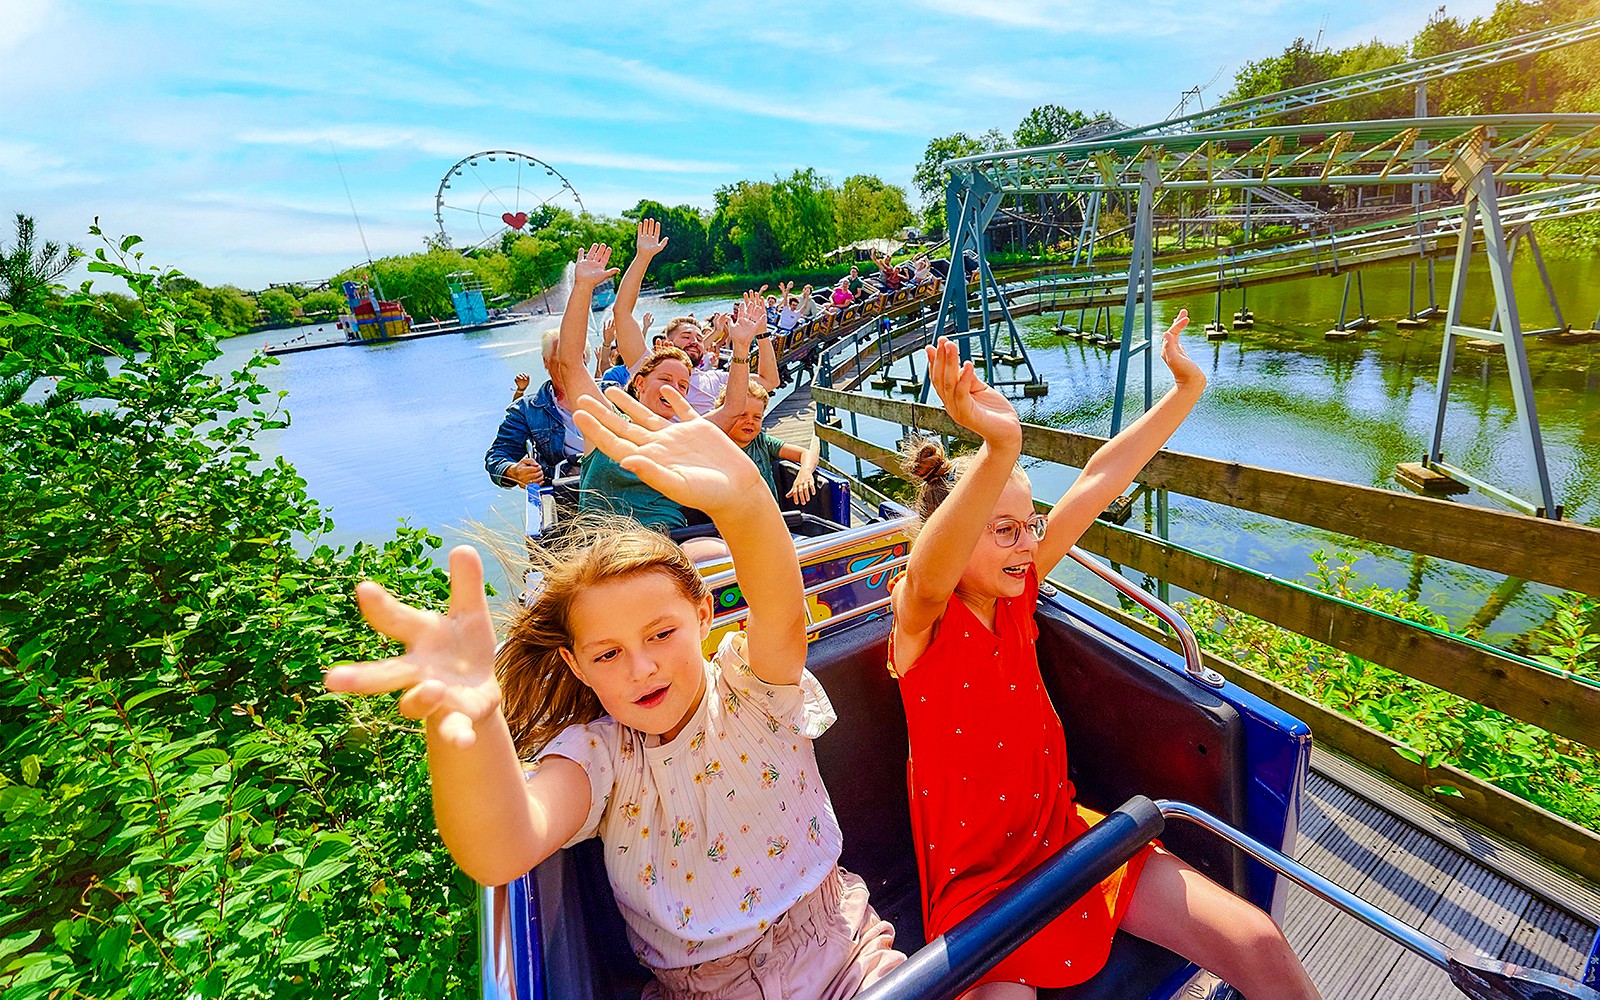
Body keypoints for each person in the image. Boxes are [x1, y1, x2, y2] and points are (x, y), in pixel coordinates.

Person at [324, 386, 906, 999]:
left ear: (704, 617)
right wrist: (472, 731)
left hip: (839, 947)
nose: (642, 668)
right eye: (608, 654)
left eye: (661, 634)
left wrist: (746, 502)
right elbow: (502, 848)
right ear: (576, 665)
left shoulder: (749, 689)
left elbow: (782, 616)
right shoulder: (597, 757)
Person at [889, 314, 1321, 999]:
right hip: (980, 892)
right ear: (957, 531)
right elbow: (926, 576)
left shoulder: (1018, 596)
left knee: (1257, 941)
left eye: (1029, 526)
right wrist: (1001, 446)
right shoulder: (922, 627)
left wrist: (1184, 391)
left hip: (1063, 840)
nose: (1027, 544)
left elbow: (1098, 477)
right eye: (1003, 530)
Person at [560, 244, 760, 537]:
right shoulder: (606, 422)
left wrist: (741, 346)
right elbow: (571, 365)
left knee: (715, 556)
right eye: (665, 379)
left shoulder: (684, 433)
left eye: (683, 385)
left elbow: (732, 409)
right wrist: (582, 288)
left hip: (667, 542)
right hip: (605, 543)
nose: (675, 391)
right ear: (640, 383)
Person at [484, 331, 590, 488]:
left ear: (586, 359)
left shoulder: (611, 394)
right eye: (561, 357)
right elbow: (497, 456)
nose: (569, 363)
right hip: (569, 494)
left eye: (576, 355)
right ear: (546, 362)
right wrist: (514, 471)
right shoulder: (526, 410)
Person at [717, 377, 820, 506]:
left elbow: (807, 454)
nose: (750, 421)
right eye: (742, 415)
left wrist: (805, 472)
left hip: (770, 517)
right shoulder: (716, 444)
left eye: (757, 417)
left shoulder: (762, 441)